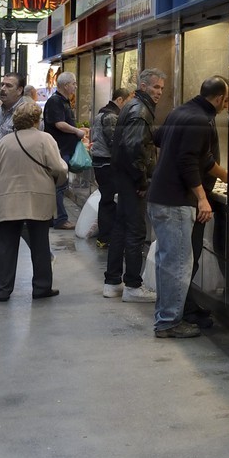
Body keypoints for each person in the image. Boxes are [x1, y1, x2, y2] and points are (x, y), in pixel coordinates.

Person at [146, 75, 228, 339]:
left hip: (160, 196)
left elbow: (159, 140)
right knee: (178, 263)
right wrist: (202, 197)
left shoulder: (179, 112)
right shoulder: (200, 121)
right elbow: (187, 161)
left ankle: (169, 314)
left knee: (167, 262)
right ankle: (169, 321)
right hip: (176, 201)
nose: (227, 106)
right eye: (226, 101)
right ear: (217, 99)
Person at [0, 99, 68, 300]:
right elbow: (58, 168)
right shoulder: (45, 139)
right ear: (37, 120)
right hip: (39, 198)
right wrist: (57, 181)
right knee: (40, 244)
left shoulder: (5, 141)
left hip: (8, 198)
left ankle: (2, 289)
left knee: (5, 245)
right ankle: (41, 287)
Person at [104, 68, 164, 302]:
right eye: (155, 87)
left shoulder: (134, 106)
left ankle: (112, 281)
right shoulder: (140, 111)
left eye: (161, 88)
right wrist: (141, 179)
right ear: (142, 86)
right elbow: (134, 147)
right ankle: (132, 285)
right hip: (132, 179)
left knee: (121, 228)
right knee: (136, 231)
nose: (158, 92)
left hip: (124, 177)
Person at [88, 80, 132, 250]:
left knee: (106, 199)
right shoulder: (112, 117)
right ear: (120, 100)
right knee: (108, 201)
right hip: (106, 164)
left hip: (100, 164)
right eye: (128, 102)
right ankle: (106, 237)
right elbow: (115, 142)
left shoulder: (102, 113)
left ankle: (105, 237)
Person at [42, 71, 87, 230]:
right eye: (73, 84)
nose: (75, 86)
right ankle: (59, 219)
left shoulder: (65, 101)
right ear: (66, 85)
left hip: (65, 149)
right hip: (59, 151)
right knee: (59, 185)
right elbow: (59, 123)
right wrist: (76, 131)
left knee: (59, 185)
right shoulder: (55, 102)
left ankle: (54, 217)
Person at [0, 73, 23, 159]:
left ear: (19, 90)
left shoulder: (26, 113)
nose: (3, 89)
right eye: (2, 85)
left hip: (13, 169)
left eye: (9, 86)